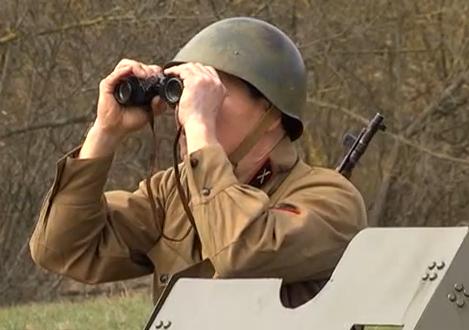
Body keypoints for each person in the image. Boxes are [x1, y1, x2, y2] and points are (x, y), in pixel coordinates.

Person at [29, 17, 367, 308]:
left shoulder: (332, 200)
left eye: (213, 94)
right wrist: (104, 133)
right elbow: (61, 249)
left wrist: (201, 130)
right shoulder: (172, 194)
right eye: (187, 95)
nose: (188, 109)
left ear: (271, 113)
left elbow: (241, 251)